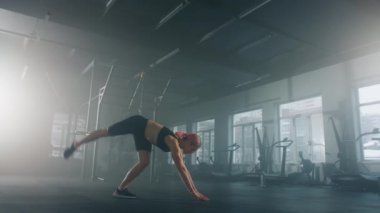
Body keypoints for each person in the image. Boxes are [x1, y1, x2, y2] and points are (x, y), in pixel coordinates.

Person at [63, 115, 209, 201]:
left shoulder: (178, 144)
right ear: (187, 141)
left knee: (144, 162)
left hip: (144, 134)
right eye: (193, 147)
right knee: (106, 132)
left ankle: (120, 189)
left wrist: (195, 189)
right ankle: (77, 144)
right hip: (138, 123)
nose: (193, 151)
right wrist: (193, 191)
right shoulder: (173, 143)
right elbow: (182, 168)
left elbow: (184, 167)